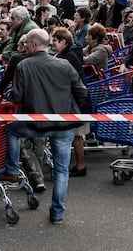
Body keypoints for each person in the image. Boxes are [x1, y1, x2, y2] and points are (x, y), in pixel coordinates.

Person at [0, 29, 89, 225]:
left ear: (32, 44)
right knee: (62, 171)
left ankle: (12, 169)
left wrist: (6, 96)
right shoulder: (64, 65)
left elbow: (17, 95)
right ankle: (57, 213)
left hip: (37, 124)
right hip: (64, 124)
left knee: (11, 130)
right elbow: (81, 90)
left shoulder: (24, 66)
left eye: (27, 44)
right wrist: (77, 110)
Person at [52, 27, 92, 177]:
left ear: (63, 41)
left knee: (77, 135)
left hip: (78, 103)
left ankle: (81, 165)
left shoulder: (70, 56)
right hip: (76, 101)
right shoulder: (68, 53)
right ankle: (78, 164)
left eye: (55, 41)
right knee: (75, 135)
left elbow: (70, 81)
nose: (52, 43)